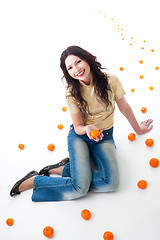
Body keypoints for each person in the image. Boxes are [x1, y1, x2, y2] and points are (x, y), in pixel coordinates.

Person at [10, 45, 153, 201]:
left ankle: (64, 169)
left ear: (87, 59)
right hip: (80, 137)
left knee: (111, 184)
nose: (76, 69)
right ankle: (34, 180)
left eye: (78, 62)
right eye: (70, 67)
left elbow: (124, 108)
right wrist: (87, 128)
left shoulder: (111, 80)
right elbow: (77, 127)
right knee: (79, 189)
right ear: (67, 72)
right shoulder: (71, 92)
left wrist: (138, 129)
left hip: (104, 136)